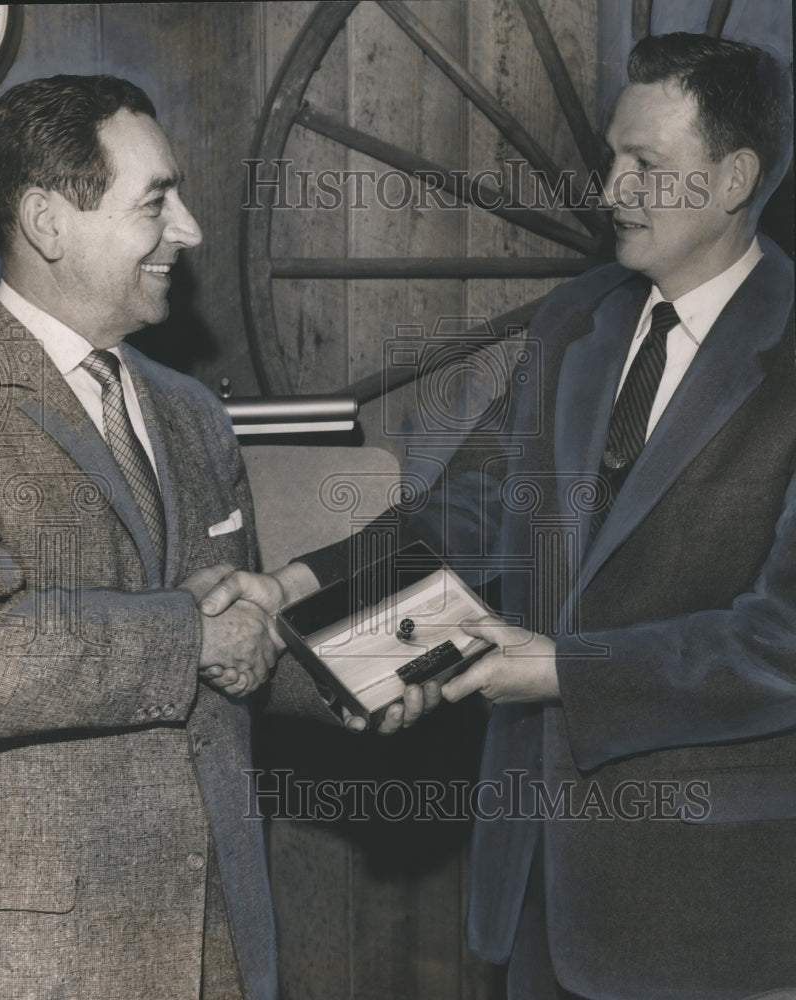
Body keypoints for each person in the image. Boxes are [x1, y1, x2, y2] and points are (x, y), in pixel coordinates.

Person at [199, 33, 796, 998]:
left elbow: (782, 644)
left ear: (735, 178)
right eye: (612, 156)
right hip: (532, 900)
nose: (611, 190)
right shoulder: (577, 322)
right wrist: (295, 586)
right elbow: (464, 519)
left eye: (647, 166)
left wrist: (555, 671)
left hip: (713, 920)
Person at [0, 74, 424, 1000]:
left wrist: (357, 679)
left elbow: (240, 623)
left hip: (223, 932)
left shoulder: (188, 411)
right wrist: (195, 634)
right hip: (46, 960)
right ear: (49, 222)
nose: (192, 231)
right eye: (156, 202)